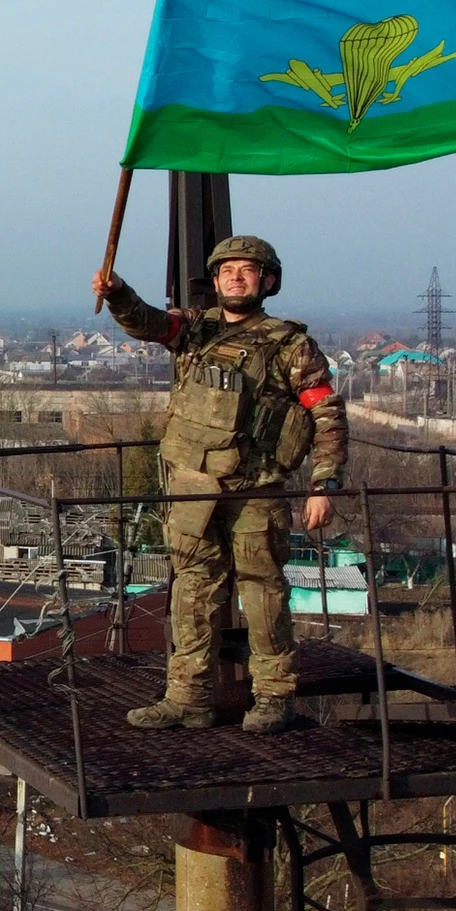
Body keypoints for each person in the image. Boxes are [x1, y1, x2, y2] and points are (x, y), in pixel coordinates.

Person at [91, 236, 348, 734]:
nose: (235, 277)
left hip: (256, 489)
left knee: (264, 594)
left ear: (267, 281)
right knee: (191, 591)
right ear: (215, 280)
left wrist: (325, 483)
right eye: (227, 269)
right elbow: (147, 322)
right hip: (193, 485)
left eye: (247, 270)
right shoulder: (194, 329)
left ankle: (274, 698)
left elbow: (326, 413)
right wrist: (118, 292)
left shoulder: (290, 346)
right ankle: (188, 698)